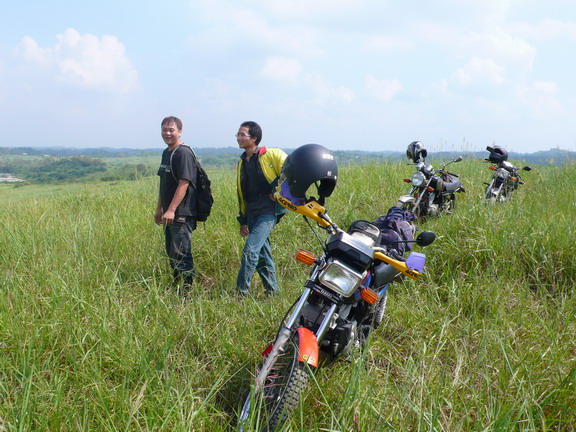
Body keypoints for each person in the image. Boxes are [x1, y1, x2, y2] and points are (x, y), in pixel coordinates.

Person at [235, 121, 287, 297]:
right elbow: (242, 193)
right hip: (252, 212)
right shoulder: (242, 162)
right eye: (238, 135)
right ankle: (272, 293)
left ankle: (239, 294)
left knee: (250, 251)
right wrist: (243, 220)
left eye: (243, 135)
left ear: (254, 138)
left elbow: (290, 170)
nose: (239, 138)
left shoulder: (271, 154)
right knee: (263, 255)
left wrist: (277, 192)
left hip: (268, 211)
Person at [155, 116, 197, 291]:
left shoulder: (183, 153)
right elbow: (164, 183)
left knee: (181, 253)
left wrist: (171, 209)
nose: (167, 133)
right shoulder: (167, 152)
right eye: (164, 129)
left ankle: (186, 294)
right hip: (169, 213)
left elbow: (184, 182)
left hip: (181, 213)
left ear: (180, 131)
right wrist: (159, 209)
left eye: (171, 130)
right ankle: (177, 287)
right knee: (172, 253)